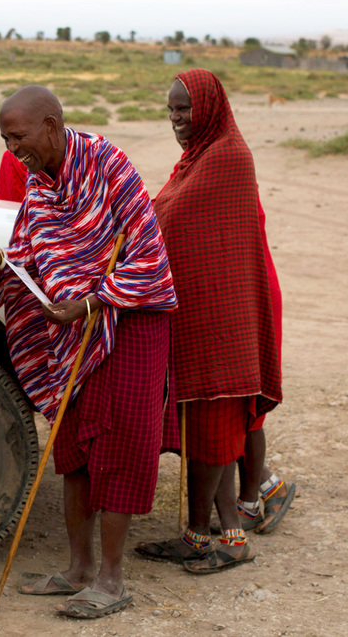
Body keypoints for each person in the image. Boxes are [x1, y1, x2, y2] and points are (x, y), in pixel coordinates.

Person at [0, 86, 177, 619]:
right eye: (4, 139)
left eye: (18, 136)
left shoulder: (108, 164)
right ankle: (78, 570)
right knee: (73, 453)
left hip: (129, 326)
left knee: (117, 453)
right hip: (72, 335)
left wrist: (92, 301)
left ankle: (112, 581)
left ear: (51, 124)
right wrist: (3, 271)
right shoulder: (38, 182)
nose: (12, 149)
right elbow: (27, 249)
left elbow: (148, 256)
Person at [134, 68, 294, 575]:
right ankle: (199, 535)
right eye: (171, 110)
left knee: (215, 431)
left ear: (209, 106)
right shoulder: (196, 157)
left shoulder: (228, 157)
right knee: (199, 429)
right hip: (198, 314)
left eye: (185, 109)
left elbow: (176, 223)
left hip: (224, 319)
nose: (178, 119)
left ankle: (230, 539)